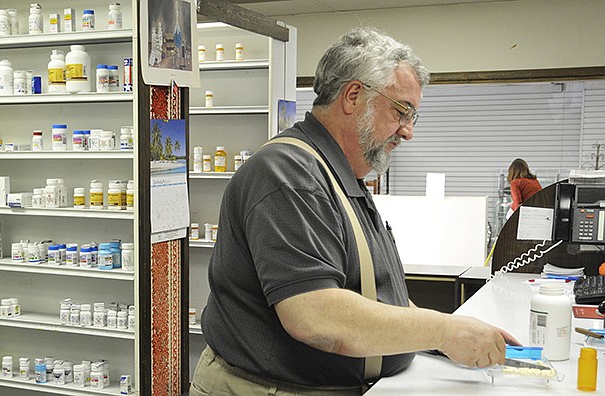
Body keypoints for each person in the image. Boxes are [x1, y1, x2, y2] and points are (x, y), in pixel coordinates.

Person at [190, 27, 519, 396]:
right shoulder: (289, 174)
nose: (408, 132)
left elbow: (379, 296)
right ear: (353, 96)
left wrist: (447, 336)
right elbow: (316, 317)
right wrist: (444, 331)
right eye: (401, 111)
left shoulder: (340, 175)